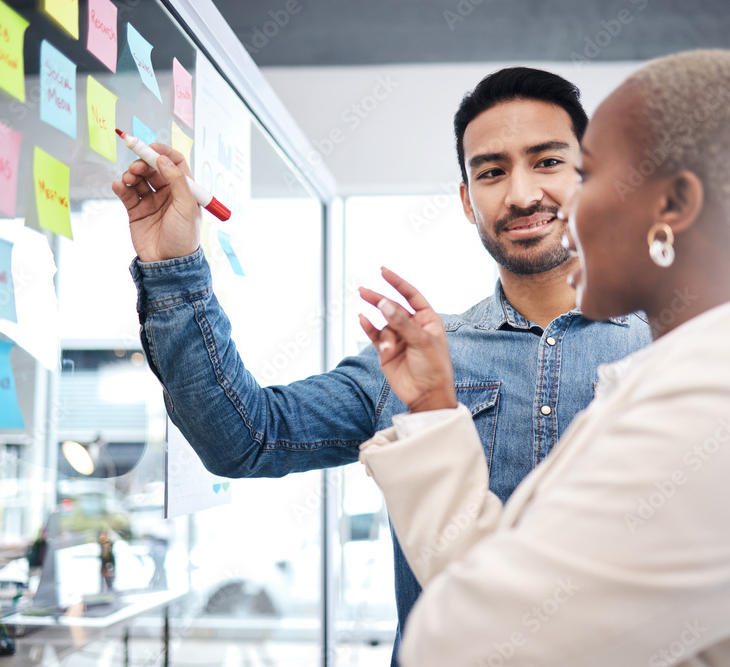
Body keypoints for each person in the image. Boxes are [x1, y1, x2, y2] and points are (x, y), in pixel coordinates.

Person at [111, 68, 650, 656]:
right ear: (468, 202)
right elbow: (246, 438)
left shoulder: (670, 349)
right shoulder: (415, 357)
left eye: (547, 162)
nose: (520, 194)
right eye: (491, 172)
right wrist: (173, 266)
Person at [355, 49, 730, 666]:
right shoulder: (709, 380)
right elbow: (514, 604)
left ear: (671, 207)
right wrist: (433, 410)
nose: (557, 206)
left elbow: (470, 646)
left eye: (583, 174)